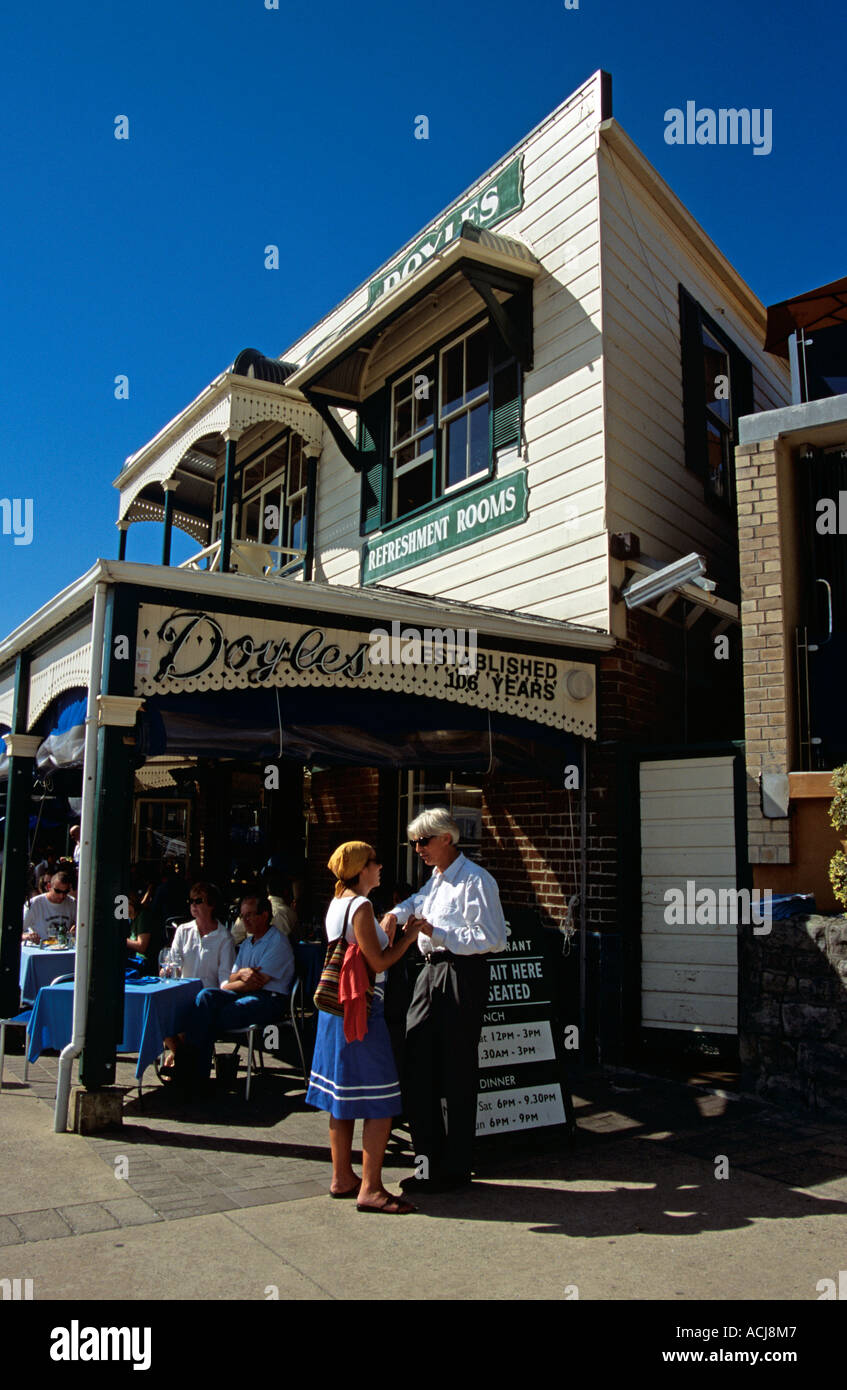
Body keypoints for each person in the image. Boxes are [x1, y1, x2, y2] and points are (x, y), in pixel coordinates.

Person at [382, 808, 507, 1195]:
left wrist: (438, 932)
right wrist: (393, 912)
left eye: (423, 841)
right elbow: (416, 902)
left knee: (456, 1069)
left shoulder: (476, 881)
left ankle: (455, 1169)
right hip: (429, 972)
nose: (417, 849)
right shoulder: (435, 881)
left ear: (446, 839)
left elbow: (492, 938)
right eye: (414, 842)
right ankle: (426, 1164)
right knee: (417, 1061)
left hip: (461, 974)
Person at [306, 841, 422, 1214]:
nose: (380, 866)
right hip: (361, 1012)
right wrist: (408, 936)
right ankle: (371, 1188)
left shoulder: (337, 903)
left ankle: (342, 1176)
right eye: (374, 861)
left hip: (333, 1011)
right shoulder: (362, 905)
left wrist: (385, 928)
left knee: (341, 1100)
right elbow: (380, 961)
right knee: (382, 1101)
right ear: (360, 869)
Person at [177, 894, 295, 1083]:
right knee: (205, 997)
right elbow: (229, 978)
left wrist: (237, 980)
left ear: (264, 915)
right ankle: (193, 1071)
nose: (244, 921)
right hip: (242, 993)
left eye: (249, 915)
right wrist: (241, 975)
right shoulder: (247, 943)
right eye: (242, 916)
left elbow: (256, 983)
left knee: (213, 1016)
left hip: (270, 999)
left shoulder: (277, 943)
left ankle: (191, 1071)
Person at [161, 883, 236, 1069]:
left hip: (205, 997)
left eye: (198, 901)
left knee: (193, 1016)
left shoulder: (224, 937)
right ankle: (181, 1057)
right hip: (181, 994)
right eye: (191, 901)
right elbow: (172, 961)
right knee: (157, 1014)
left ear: (211, 905)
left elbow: (225, 977)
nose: (193, 905)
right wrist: (166, 970)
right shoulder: (183, 930)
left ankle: (182, 1063)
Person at [22, 871, 76, 943]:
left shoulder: (72, 902)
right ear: (49, 887)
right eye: (57, 891)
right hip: (39, 949)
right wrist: (27, 936)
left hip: (63, 948)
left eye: (65, 892)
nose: (61, 896)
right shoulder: (34, 904)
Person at [126, 890, 163, 974]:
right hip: (134, 959)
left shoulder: (143, 916)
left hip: (144, 962)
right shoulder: (130, 920)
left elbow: (141, 946)